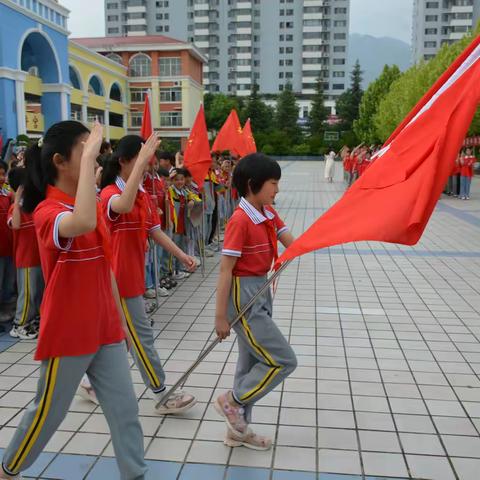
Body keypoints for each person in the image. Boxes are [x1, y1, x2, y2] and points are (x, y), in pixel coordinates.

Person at [0, 121, 147, 480]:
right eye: (86, 147)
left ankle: (136, 474)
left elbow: (106, 268)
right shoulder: (49, 212)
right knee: (48, 413)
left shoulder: (91, 203)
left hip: (105, 327)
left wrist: (120, 323)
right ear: (59, 161)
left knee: (125, 411)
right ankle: (8, 469)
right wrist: (90, 166)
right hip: (68, 331)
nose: (96, 153)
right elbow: (79, 221)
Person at [100, 135, 197, 414]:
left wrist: (182, 255)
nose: (146, 167)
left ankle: (92, 384)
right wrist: (143, 160)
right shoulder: (109, 193)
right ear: (123, 161)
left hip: (133, 274)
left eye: (148, 162)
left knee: (115, 336)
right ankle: (162, 394)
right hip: (118, 278)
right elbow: (123, 205)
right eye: (141, 161)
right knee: (141, 337)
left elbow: (154, 230)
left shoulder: (140, 192)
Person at [214, 153, 297, 450]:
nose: (277, 189)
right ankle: (232, 401)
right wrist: (220, 317)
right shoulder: (240, 220)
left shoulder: (267, 212)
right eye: (273, 183)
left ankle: (236, 431)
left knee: (249, 363)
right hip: (244, 297)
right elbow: (225, 269)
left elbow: (293, 244)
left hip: (260, 290)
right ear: (252, 185)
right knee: (283, 360)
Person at [6, 167, 44, 339]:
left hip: (38, 258)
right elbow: (15, 225)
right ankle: (19, 324)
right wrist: (18, 198)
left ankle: (31, 321)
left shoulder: (33, 206)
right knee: (27, 293)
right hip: (26, 259)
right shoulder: (15, 207)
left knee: (36, 292)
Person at [0, 160, 15, 323]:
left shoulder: (6, 195)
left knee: (8, 284)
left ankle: (6, 314)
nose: (2, 177)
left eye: (3, 174)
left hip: (8, 248)